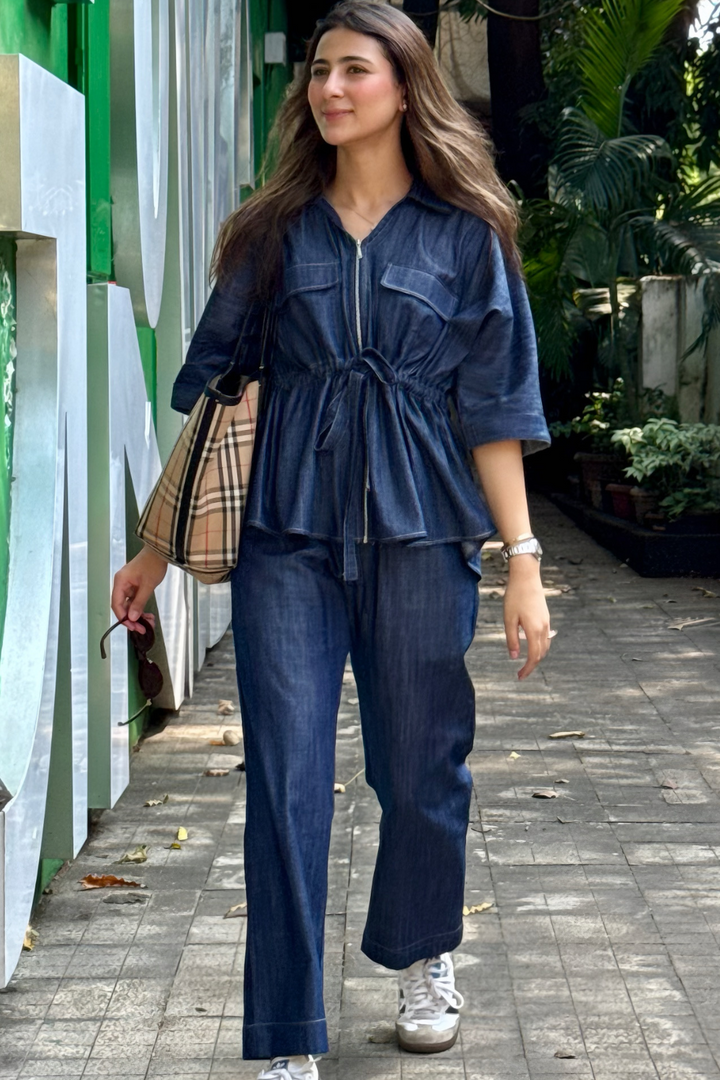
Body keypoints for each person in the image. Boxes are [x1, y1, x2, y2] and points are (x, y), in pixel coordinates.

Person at [111, 3, 552, 1077]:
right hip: (286, 540)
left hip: (421, 537)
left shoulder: (467, 237)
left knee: (422, 767)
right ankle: (283, 1034)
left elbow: (495, 411)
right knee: (286, 780)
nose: (329, 89)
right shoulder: (271, 234)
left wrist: (523, 564)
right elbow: (217, 398)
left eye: (355, 70)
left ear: (405, 87)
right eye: (319, 71)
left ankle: (424, 954)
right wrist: (155, 550)